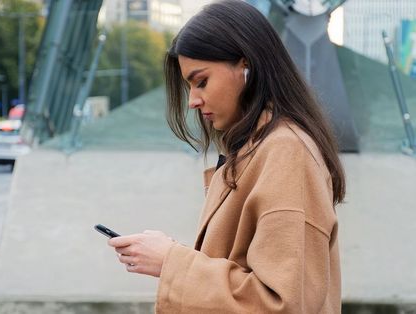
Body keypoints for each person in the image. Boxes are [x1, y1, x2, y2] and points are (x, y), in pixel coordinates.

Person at [108, 0, 345, 313]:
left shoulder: (286, 153)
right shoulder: (260, 148)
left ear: (246, 68)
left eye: (201, 81)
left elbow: (283, 303)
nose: (192, 100)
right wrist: (173, 254)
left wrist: (171, 261)